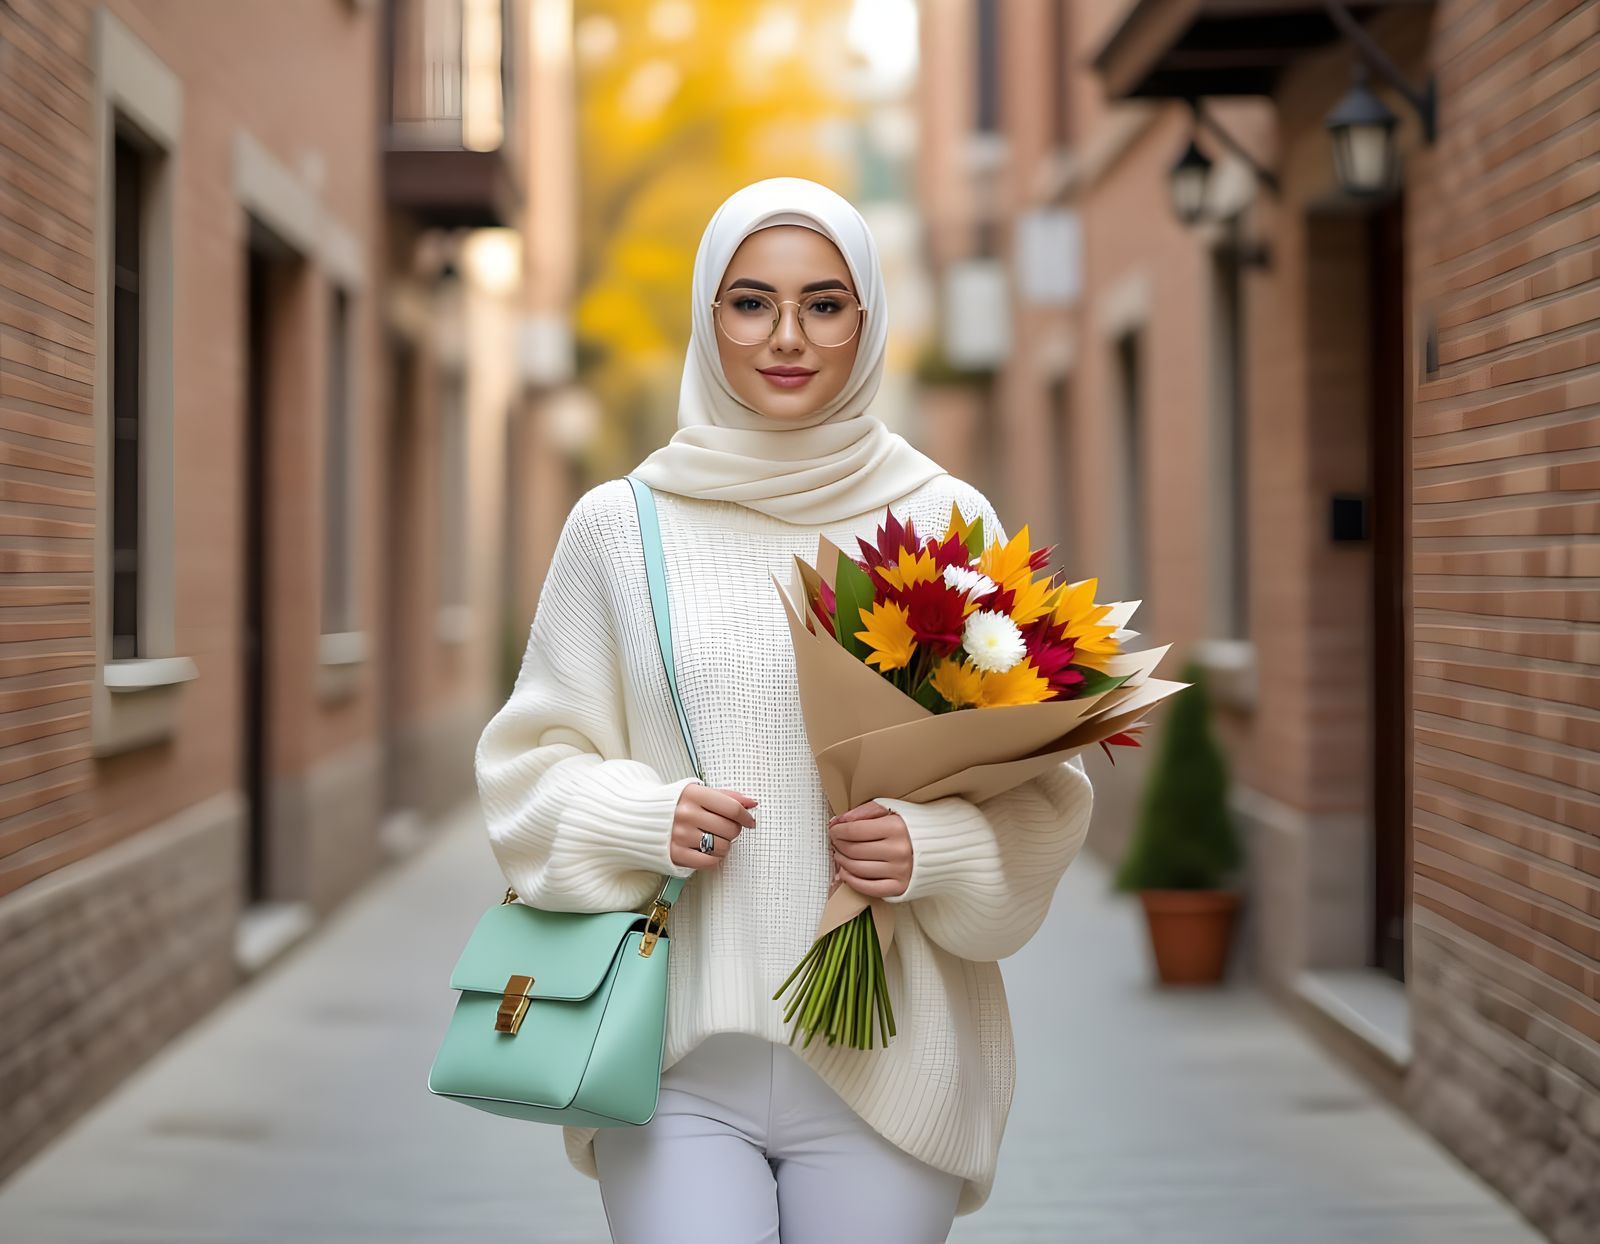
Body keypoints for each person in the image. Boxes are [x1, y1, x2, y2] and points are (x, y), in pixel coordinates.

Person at [474, 177, 1093, 1243]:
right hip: (668, 1061)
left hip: (892, 1058)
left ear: (869, 318)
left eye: (825, 302)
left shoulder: (947, 518)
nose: (787, 336)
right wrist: (640, 815)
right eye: (751, 301)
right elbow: (527, 767)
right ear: (709, 318)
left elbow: (1042, 789)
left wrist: (930, 847)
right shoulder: (622, 526)